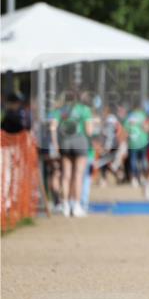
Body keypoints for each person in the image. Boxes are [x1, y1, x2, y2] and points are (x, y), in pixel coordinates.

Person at [55, 89, 94, 217]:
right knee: (78, 175)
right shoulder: (85, 110)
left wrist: (57, 143)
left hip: (65, 142)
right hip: (80, 142)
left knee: (66, 175)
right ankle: (76, 206)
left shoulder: (62, 110)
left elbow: (55, 127)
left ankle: (65, 205)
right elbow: (89, 131)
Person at [124, 102, 149, 188]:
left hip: (132, 142)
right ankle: (142, 177)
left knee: (133, 161)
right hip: (142, 142)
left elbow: (125, 130)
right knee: (142, 160)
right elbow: (147, 128)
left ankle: (134, 178)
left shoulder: (129, 116)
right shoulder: (143, 116)